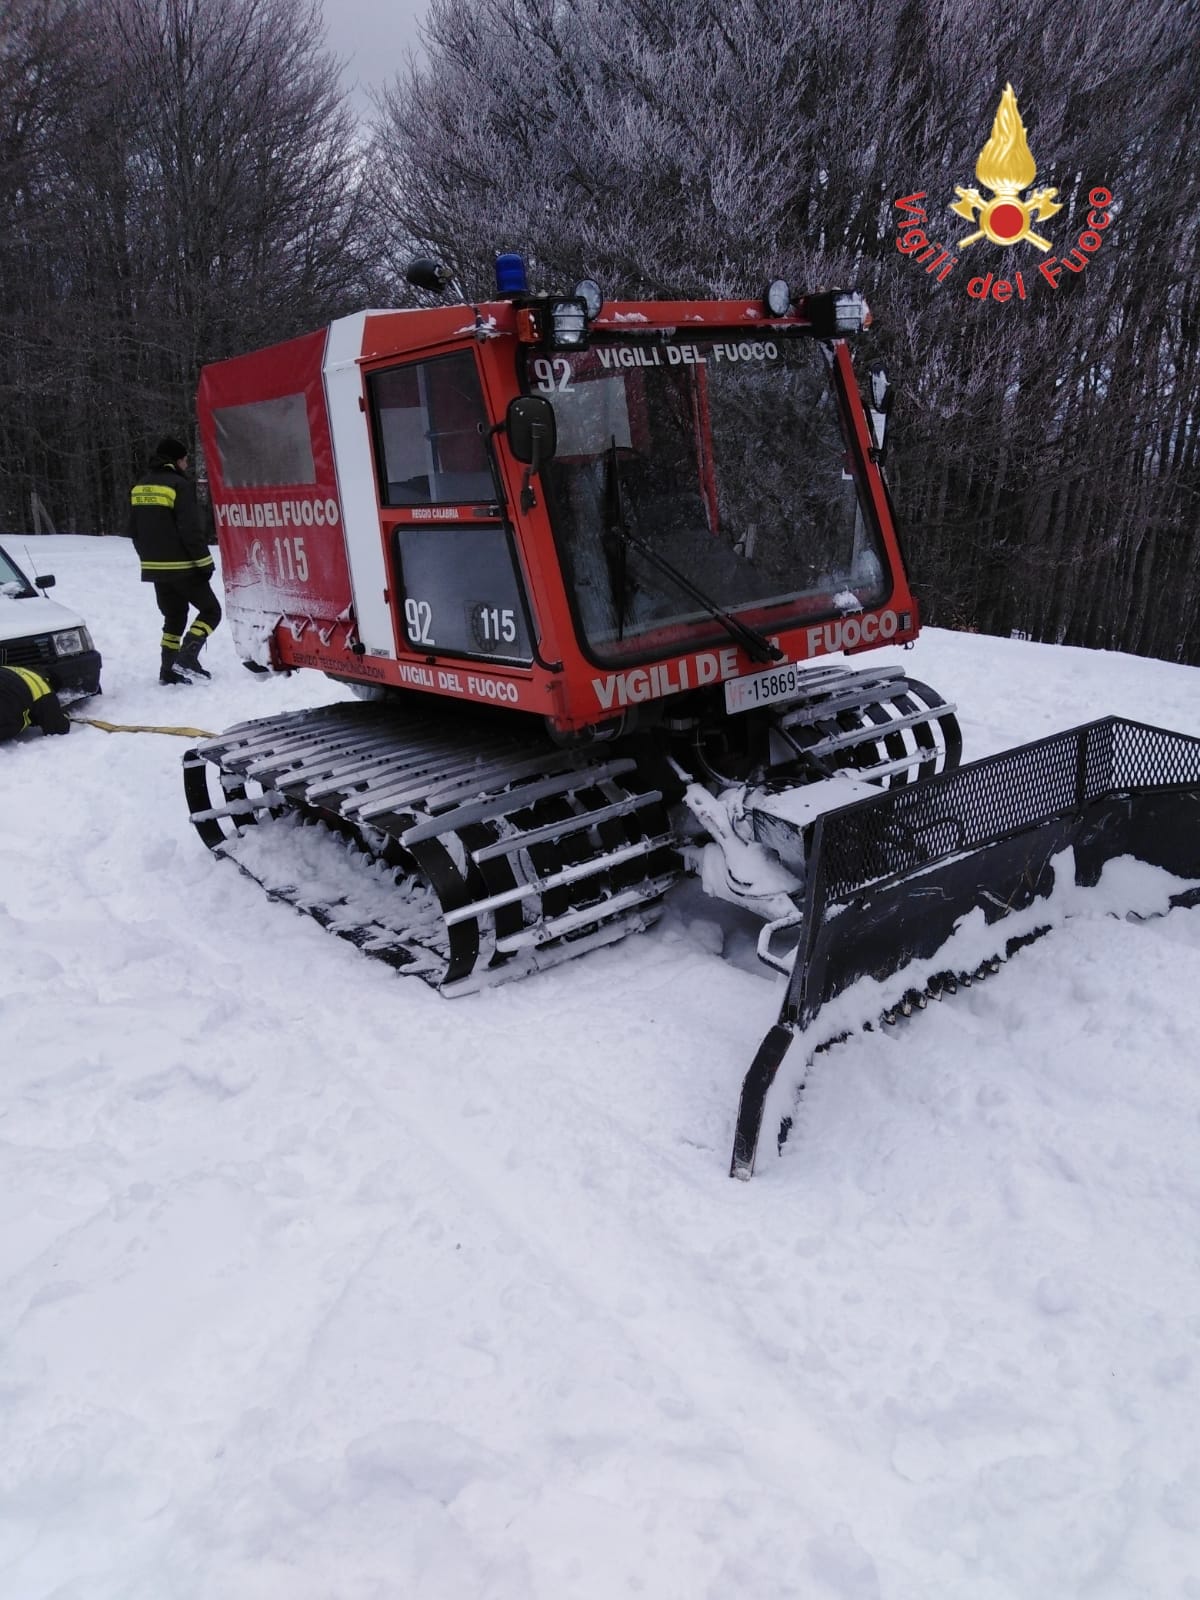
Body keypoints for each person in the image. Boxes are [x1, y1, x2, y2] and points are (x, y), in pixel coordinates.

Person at [129, 435, 221, 685]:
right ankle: (187, 658)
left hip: (156, 570)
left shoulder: (140, 486)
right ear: (177, 460)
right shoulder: (178, 486)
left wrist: (150, 560)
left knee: (175, 617)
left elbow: (133, 531)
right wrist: (205, 563)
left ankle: (167, 670)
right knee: (211, 611)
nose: (187, 465)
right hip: (183, 568)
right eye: (185, 460)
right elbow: (190, 531)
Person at [0, 664, 71, 741]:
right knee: (17, 721)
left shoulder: (15, 670)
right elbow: (58, 728)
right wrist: (63, 714)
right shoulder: (44, 689)